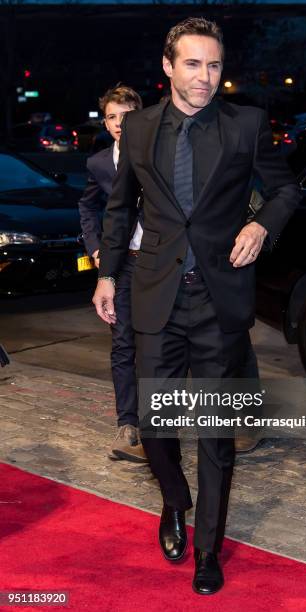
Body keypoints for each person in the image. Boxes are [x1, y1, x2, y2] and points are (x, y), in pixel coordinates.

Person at [93, 17, 301, 594]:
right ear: (167, 66)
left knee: (213, 430)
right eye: (193, 64)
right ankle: (173, 498)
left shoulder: (246, 125)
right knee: (156, 423)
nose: (205, 77)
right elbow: (120, 208)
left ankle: (209, 547)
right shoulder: (136, 128)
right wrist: (107, 274)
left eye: (214, 65)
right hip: (155, 293)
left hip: (219, 298)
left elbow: (286, 189)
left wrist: (262, 225)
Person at [78, 84, 148, 463]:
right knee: (123, 344)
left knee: (160, 342)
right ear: (105, 123)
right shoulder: (99, 163)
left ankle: (161, 419)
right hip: (119, 265)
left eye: (127, 115)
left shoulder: (158, 154)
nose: (120, 123)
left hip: (157, 263)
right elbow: (88, 208)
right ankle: (128, 424)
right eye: (112, 117)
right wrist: (95, 249)